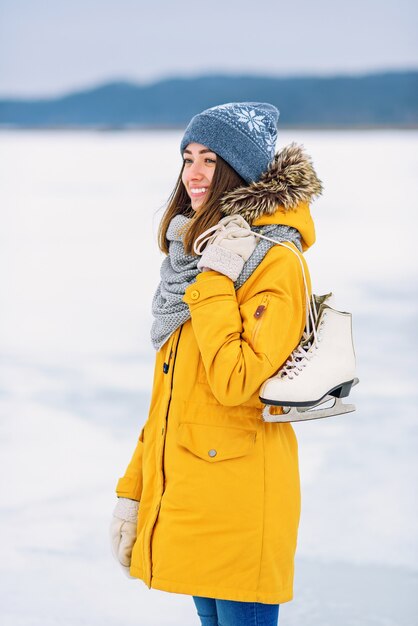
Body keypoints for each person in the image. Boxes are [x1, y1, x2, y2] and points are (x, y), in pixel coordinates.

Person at [110, 102, 322, 626]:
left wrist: (215, 280)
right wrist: (132, 492)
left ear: (240, 170)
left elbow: (235, 381)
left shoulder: (272, 259)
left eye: (211, 159)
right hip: (193, 491)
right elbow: (171, 397)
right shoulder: (194, 257)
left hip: (241, 500)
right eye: (188, 158)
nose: (195, 174)